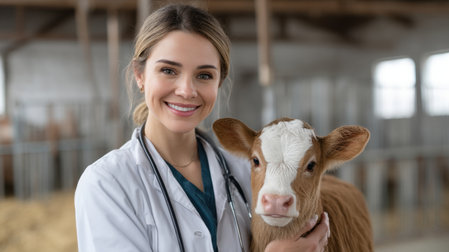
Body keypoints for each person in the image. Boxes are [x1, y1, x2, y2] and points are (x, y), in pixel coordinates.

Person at [74, 4, 330, 252]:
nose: (186, 90)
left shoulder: (245, 172)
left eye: (204, 75)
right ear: (140, 76)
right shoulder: (106, 184)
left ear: (219, 82)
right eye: (168, 70)